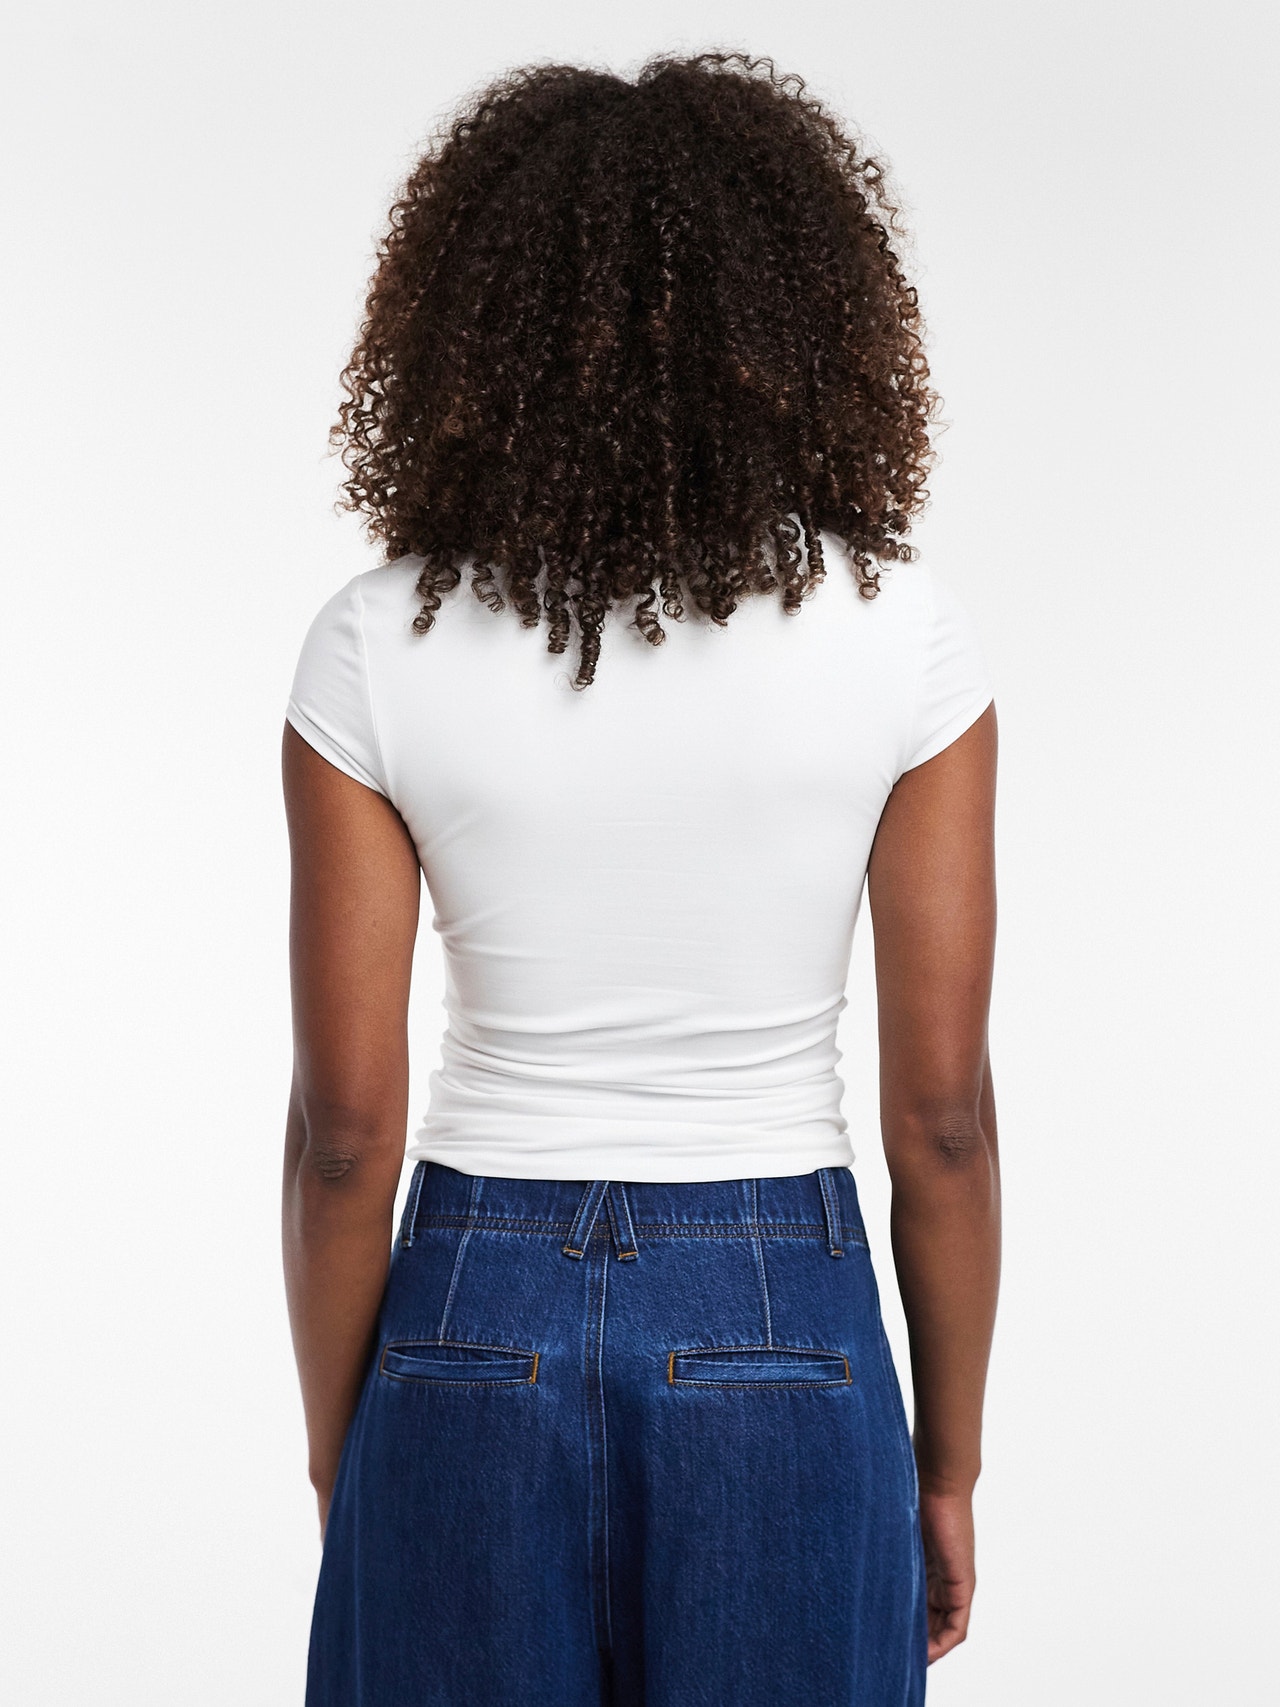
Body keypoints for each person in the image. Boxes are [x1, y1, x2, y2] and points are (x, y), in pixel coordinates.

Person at [281, 50, 1000, 1707]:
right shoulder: (903, 637)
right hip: (786, 1309)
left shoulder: (373, 644)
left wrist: (352, 1451)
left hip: (467, 1309)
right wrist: (947, 1464)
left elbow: (343, 1137)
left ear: (468, 329)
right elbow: (945, 1119)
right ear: (808, 328)